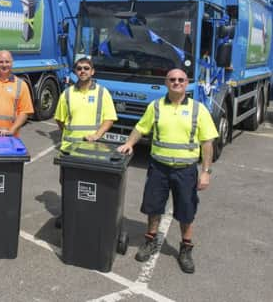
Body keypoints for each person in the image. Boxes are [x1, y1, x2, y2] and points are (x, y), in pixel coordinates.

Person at [117, 68, 218, 274]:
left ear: (187, 83)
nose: (177, 83)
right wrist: (129, 143)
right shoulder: (155, 107)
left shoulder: (198, 110)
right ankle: (150, 241)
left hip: (186, 170)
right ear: (166, 82)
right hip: (159, 168)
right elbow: (140, 128)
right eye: (172, 79)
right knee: (153, 208)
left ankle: (186, 249)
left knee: (186, 212)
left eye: (181, 80)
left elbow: (207, 143)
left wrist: (206, 171)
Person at [53, 57, 117, 228]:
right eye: (79, 68)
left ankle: (91, 214)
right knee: (68, 183)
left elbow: (109, 119)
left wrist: (97, 135)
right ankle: (68, 212)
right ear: (75, 72)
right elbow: (60, 120)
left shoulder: (102, 93)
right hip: (69, 149)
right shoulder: (66, 94)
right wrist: (71, 133)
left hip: (93, 148)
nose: (82, 71)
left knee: (91, 185)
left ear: (92, 71)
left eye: (86, 68)